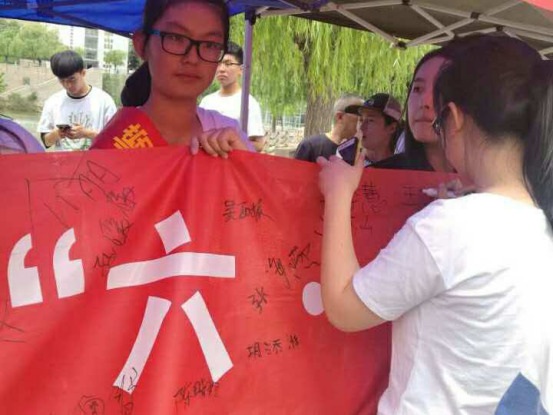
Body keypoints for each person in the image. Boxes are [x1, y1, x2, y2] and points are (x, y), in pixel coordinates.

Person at [317, 34, 552, 414]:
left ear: (454, 119)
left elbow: (344, 308)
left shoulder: (450, 226)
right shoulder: (540, 218)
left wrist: (339, 194)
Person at [93, 0, 253, 156]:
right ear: (142, 45)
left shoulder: (230, 136)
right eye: (176, 38)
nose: (192, 58)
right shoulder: (114, 144)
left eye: (210, 44)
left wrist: (246, 163)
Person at [369, 45, 460, 172]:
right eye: (417, 89)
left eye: (440, 90)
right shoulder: (377, 175)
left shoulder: (482, 179)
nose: (424, 102)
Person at [38, 50, 116, 151]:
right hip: (63, 161)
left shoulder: (104, 101)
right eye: (62, 81)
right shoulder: (52, 102)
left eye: (72, 79)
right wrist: (57, 133)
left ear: (83, 73)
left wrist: (86, 133)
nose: (68, 85)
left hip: (95, 160)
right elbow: (46, 142)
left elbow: (114, 140)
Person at [199, 41, 266, 152]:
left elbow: (259, 145)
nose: (221, 69)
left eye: (228, 63)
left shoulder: (248, 103)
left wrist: (229, 144)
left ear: (241, 70)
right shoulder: (206, 101)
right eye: (218, 63)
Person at [294, 94, 363, 163]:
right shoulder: (309, 146)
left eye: (367, 116)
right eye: (360, 114)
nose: (363, 120)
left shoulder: (361, 152)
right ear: (340, 117)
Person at [349, 93, 402, 165]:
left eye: (371, 120)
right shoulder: (346, 163)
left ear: (392, 128)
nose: (361, 127)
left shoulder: (403, 167)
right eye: (360, 120)